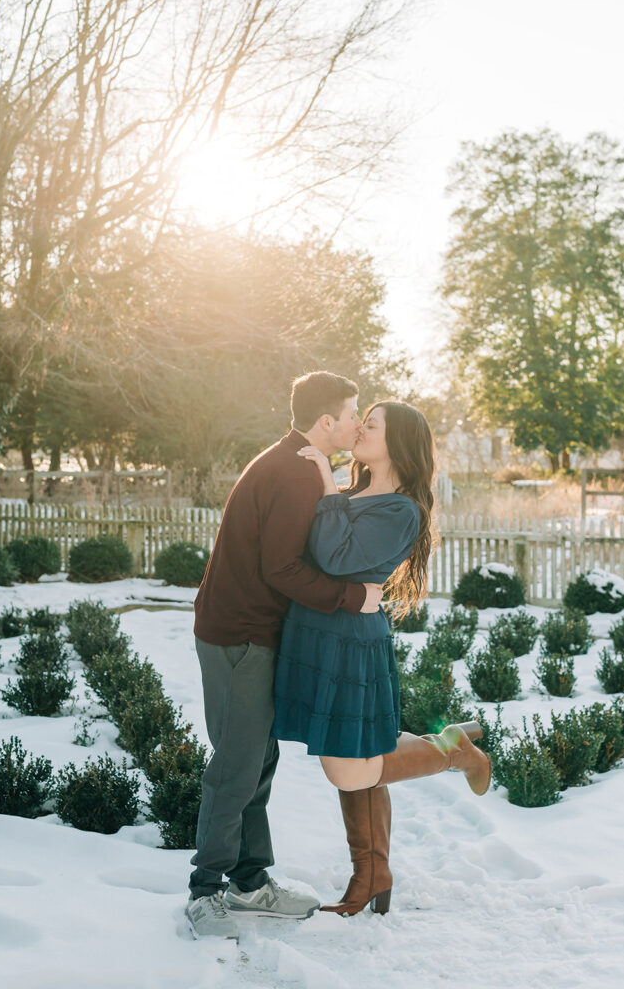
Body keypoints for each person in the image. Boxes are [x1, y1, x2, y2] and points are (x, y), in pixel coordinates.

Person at [271, 400, 491, 917]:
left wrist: (324, 479)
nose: (361, 428)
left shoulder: (400, 509)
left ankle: (450, 748)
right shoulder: (351, 493)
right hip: (317, 634)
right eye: (362, 420)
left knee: (350, 770)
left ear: (400, 443)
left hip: (351, 641)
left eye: (373, 425)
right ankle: (371, 875)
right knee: (359, 760)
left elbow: (335, 557)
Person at [186, 371, 384, 941]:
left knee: (259, 761)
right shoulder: (293, 471)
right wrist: (354, 599)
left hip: (254, 634)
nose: (357, 422)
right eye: (351, 414)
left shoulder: (297, 463)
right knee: (237, 767)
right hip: (239, 638)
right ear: (326, 421)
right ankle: (205, 892)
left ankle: (251, 882)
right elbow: (283, 568)